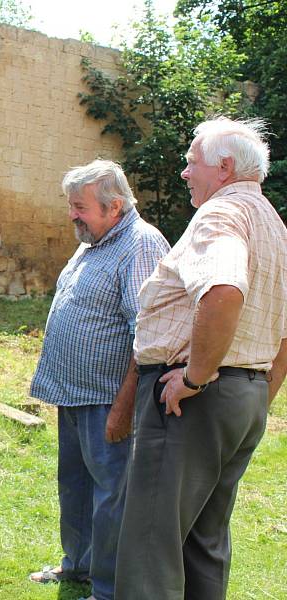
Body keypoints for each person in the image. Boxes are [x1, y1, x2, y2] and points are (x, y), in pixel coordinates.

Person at [115, 117, 287, 600]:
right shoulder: (273, 224)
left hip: (190, 400)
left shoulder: (221, 216)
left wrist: (195, 377)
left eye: (192, 163)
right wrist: (260, 391)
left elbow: (224, 288)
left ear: (225, 167)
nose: (185, 173)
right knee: (203, 545)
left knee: (152, 550)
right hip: (241, 399)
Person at [27, 160, 170, 600]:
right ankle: (78, 565)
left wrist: (124, 408)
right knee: (74, 485)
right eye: (71, 205)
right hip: (74, 395)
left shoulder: (141, 245)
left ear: (114, 207)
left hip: (109, 400)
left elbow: (145, 335)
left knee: (112, 497)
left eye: (79, 207)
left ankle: (106, 589)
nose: (72, 214)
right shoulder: (96, 239)